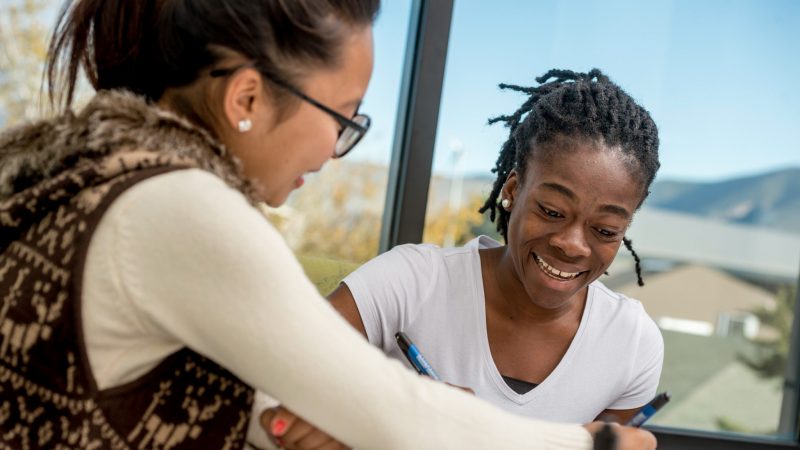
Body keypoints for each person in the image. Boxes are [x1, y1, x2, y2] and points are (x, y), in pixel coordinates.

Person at [0, 0, 656, 447]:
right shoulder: (178, 206)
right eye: (343, 117)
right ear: (248, 98)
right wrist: (598, 442)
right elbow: (400, 419)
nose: (334, 150)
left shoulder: (97, 171)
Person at [263, 69, 664, 448]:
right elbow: (281, 370)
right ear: (512, 190)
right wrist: (401, 411)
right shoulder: (411, 282)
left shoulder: (632, 344)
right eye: (552, 212)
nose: (573, 244)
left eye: (606, 231)